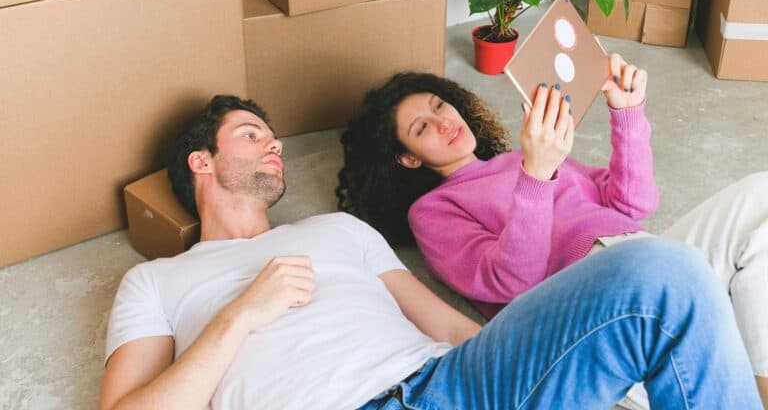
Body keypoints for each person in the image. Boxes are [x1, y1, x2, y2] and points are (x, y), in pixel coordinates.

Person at [99, 94, 762, 410]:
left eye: (274, 136)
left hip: (459, 381)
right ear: (201, 161)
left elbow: (445, 323)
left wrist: (556, 369)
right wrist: (242, 314)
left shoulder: (339, 231)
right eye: (251, 136)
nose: (274, 145)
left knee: (666, 271)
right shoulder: (155, 281)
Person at [336, 56, 768, 408]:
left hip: (648, 255)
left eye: (438, 106)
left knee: (761, 194)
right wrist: (537, 175)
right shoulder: (433, 211)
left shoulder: (519, 157)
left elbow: (633, 206)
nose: (443, 121)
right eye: (421, 128)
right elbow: (510, 281)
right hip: (592, 302)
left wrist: (627, 113)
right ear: (409, 159)